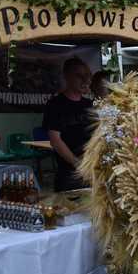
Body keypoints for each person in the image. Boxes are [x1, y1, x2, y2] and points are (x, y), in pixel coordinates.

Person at [42, 57, 93, 192]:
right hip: (69, 175)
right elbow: (55, 140)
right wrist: (78, 164)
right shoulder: (55, 105)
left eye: (87, 76)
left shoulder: (90, 105)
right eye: (79, 76)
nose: (85, 80)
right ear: (67, 76)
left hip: (92, 172)